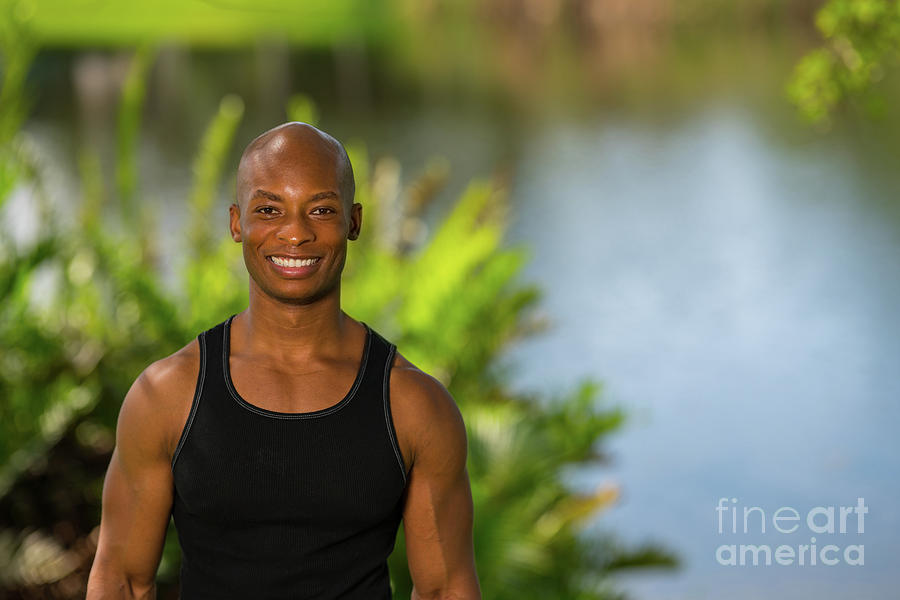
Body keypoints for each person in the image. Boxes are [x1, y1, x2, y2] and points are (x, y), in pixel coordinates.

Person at [85, 122, 481, 599]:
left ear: (353, 222)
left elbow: (445, 591)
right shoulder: (168, 395)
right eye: (269, 209)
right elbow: (122, 583)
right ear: (237, 223)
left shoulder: (414, 405)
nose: (295, 233)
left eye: (320, 209)